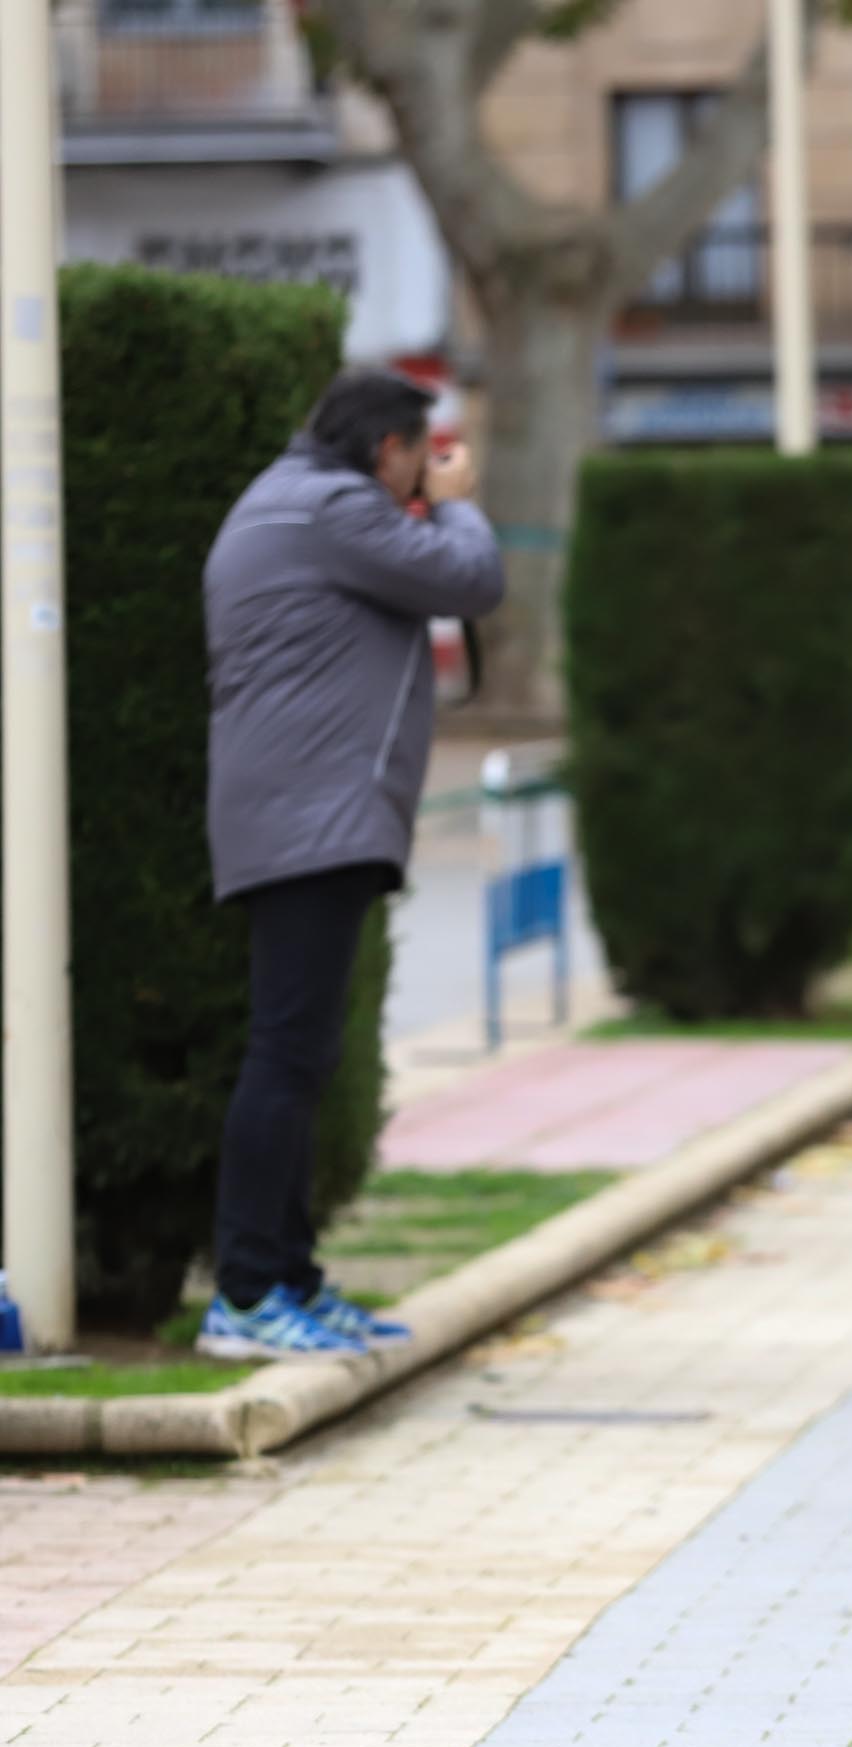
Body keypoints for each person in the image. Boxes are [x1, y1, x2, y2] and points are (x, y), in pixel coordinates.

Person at [200, 369, 504, 1361]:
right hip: (309, 819)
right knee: (288, 1055)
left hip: (305, 815)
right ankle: (246, 1294)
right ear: (388, 451)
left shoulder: (298, 501)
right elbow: (470, 581)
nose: (427, 472)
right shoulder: (332, 508)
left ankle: (288, 1277)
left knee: (301, 1053)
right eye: (421, 455)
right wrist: (456, 509)